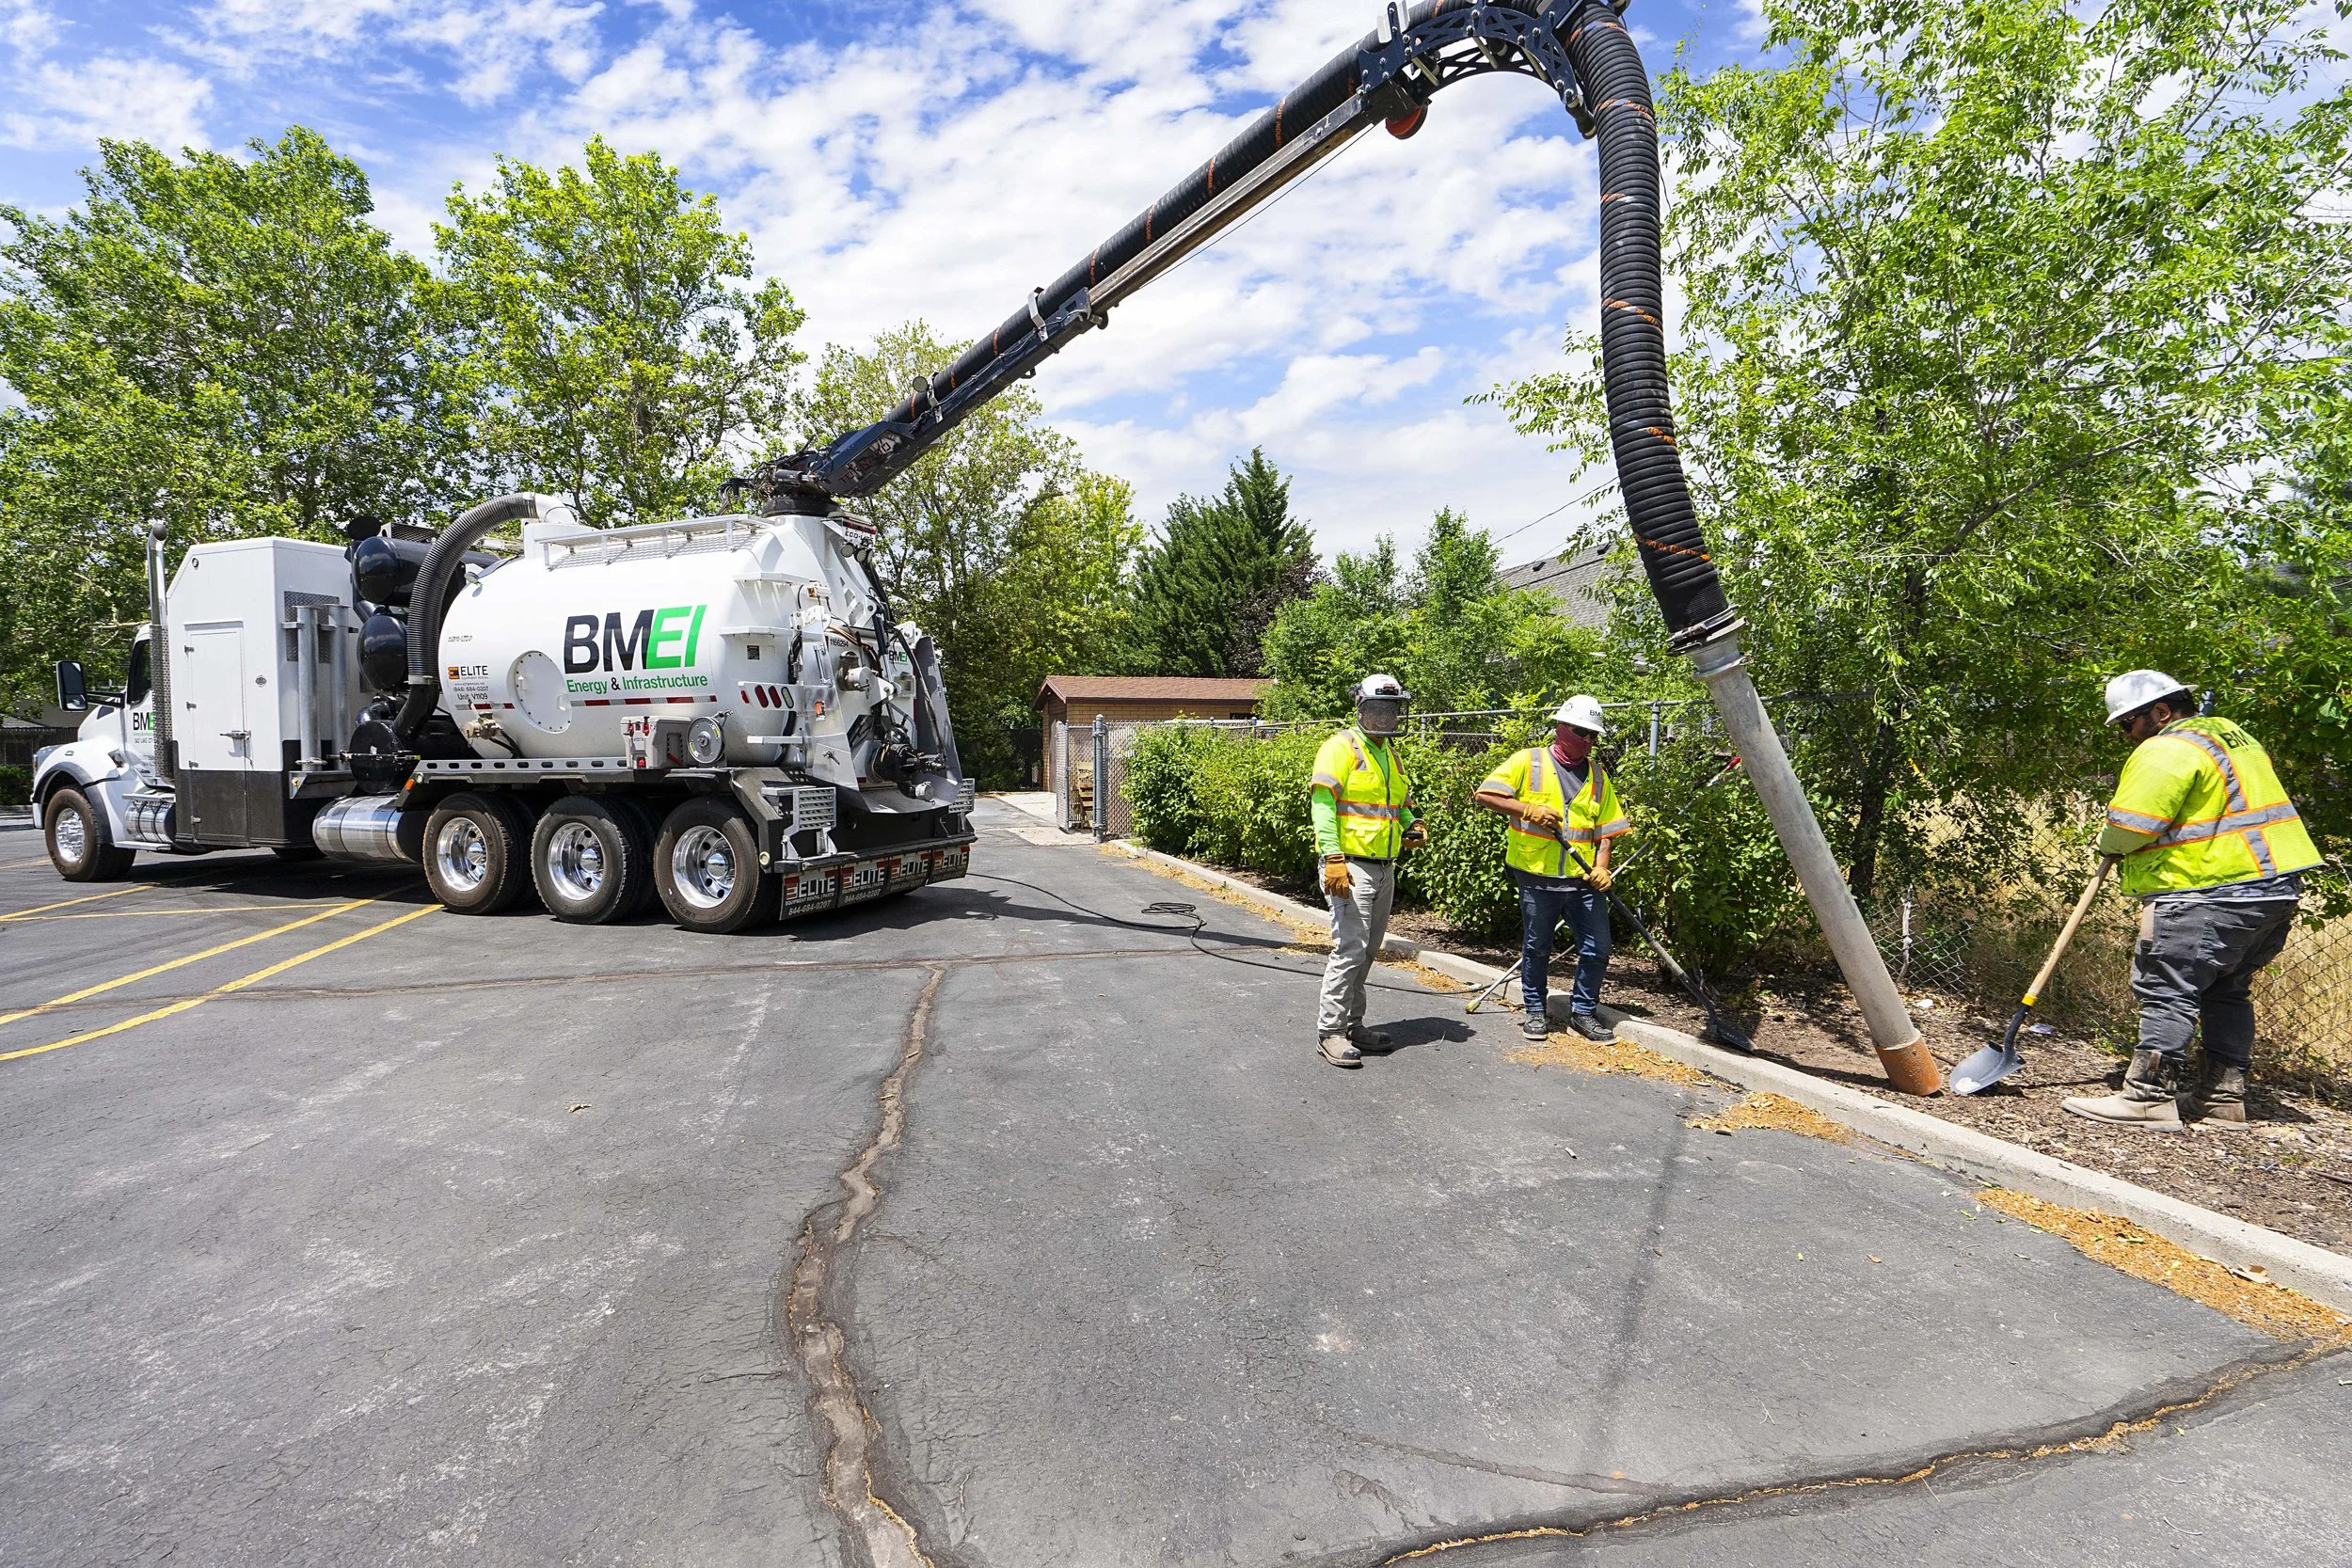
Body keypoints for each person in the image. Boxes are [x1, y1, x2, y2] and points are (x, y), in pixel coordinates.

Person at [2061, 672, 2321, 1129]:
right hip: (2274, 887)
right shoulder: (2234, 738)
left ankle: (2147, 1098)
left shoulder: (2167, 748)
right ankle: (2221, 1098)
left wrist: (2109, 841)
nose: (2127, 735)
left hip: (2208, 887)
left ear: (2160, 713)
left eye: (2128, 724)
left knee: (2167, 985)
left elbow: (2131, 825)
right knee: (2226, 989)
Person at [1471, 695, 1629, 1043]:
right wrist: (1528, 809)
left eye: (1593, 736)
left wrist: (1603, 869)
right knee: (1538, 945)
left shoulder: (1599, 776)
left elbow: (1605, 833)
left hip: (1582, 879)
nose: (1588, 740)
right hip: (1536, 873)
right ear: (1560, 728)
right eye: (1580, 731)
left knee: (1597, 948)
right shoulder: (1529, 762)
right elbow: (1485, 795)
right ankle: (1535, 1011)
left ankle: (1584, 1013)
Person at [1308, 674, 1425, 1069]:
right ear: (1359, 708)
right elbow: (1323, 806)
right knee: (1349, 950)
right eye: (1376, 709)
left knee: (1368, 951)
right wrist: (1333, 857)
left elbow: (1401, 804)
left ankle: (1353, 1025)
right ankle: (1331, 1032)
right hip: (1351, 867)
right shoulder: (1340, 748)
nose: (1384, 717)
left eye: (1390, 710)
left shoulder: (1390, 756)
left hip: (1384, 866)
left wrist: (1412, 823)